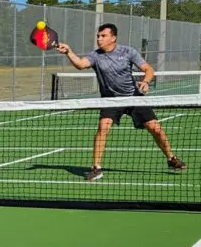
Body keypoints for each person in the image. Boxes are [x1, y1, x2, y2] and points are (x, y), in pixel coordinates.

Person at [57, 23, 187, 181]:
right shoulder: (95, 55)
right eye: (98, 36)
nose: (99, 39)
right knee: (103, 127)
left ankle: (171, 158)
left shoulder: (128, 51)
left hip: (133, 96)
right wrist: (69, 52)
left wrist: (145, 82)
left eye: (103, 36)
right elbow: (80, 64)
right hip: (111, 100)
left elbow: (148, 69)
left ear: (113, 38)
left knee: (156, 129)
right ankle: (96, 168)